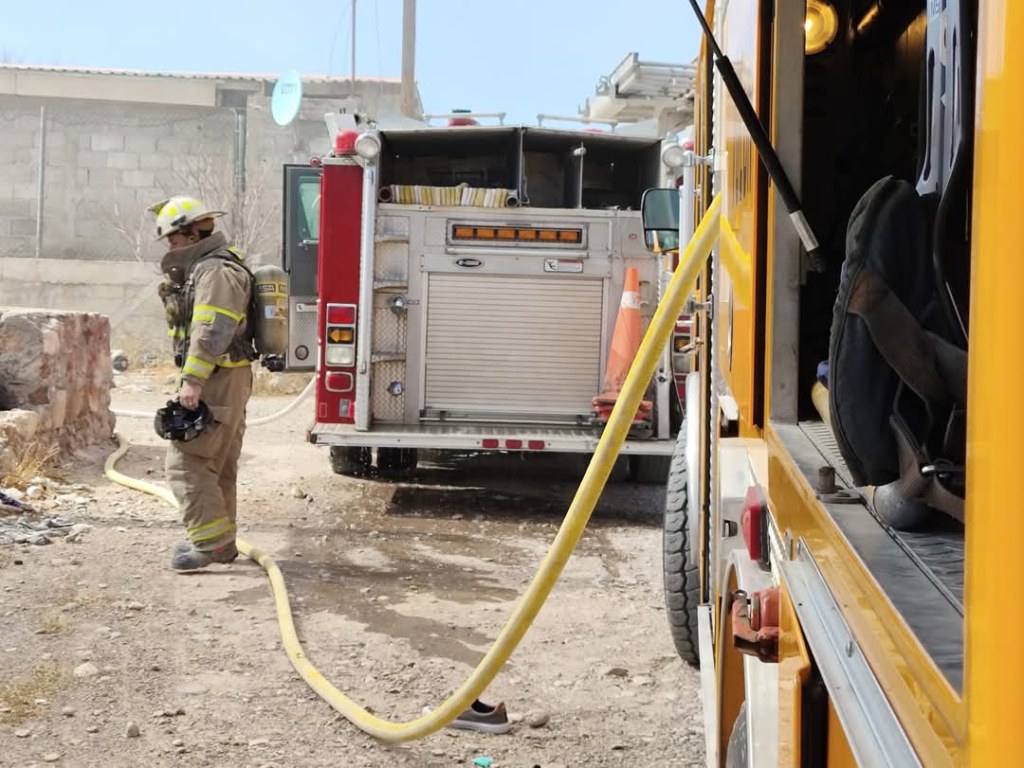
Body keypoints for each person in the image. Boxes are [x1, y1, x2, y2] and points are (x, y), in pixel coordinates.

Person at [151, 195, 254, 571]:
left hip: (215, 377)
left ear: (193, 232)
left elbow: (212, 329)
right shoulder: (213, 267)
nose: (170, 245)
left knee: (187, 463)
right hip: (226, 376)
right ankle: (220, 542)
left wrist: (193, 380)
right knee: (216, 464)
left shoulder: (215, 271)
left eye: (174, 237)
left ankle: (211, 544)